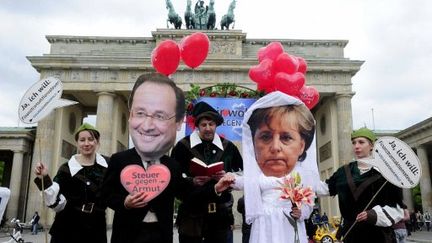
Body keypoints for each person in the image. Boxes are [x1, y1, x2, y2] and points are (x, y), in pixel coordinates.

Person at [101, 73, 223, 243]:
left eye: (160, 116)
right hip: (128, 233)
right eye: (141, 113)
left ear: (178, 122)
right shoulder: (119, 160)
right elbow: (105, 194)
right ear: (130, 116)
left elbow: (186, 193)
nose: (148, 125)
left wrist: (216, 187)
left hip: (160, 233)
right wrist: (124, 202)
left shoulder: (172, 165)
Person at [216, 91, 318, 243]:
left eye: (286, 137)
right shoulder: (259, 173)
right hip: (264, 223)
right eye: (266, 137)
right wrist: (231, 179)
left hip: (288, 223)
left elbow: (309, 200)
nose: (275, 147)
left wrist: (301, 212)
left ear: (302, 145)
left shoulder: (301, 174)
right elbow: (247, 182)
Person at [171, 101, 243, 243]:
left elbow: (242, 174)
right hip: (191, 218)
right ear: (197, 126)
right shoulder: (182, 147)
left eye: (211, 124)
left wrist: (229, 177)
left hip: (221, 217)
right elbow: (173, 180)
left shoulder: (229, 148)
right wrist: (192, 181)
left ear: (216, 125)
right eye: (204, 125)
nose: (208, 128)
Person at [317, 127, 404, 243]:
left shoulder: (387, 174)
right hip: (350, 234)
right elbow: (324, 188)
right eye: (354, 143)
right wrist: (299, 185)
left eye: (361, 142)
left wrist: (372, 215)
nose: (356, 146)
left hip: (377, 236)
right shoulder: (344, 171)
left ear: (372, 146)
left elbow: (397, 209)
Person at [34, 123, 109, 243]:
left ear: (97, 141)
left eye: (90, 139)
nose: (86, 143)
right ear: (77, 143)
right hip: (67, 226)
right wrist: (44, 178)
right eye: (82, 140)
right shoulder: (66, 168)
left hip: (96, 226)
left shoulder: (107, 165)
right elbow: (54, 200)